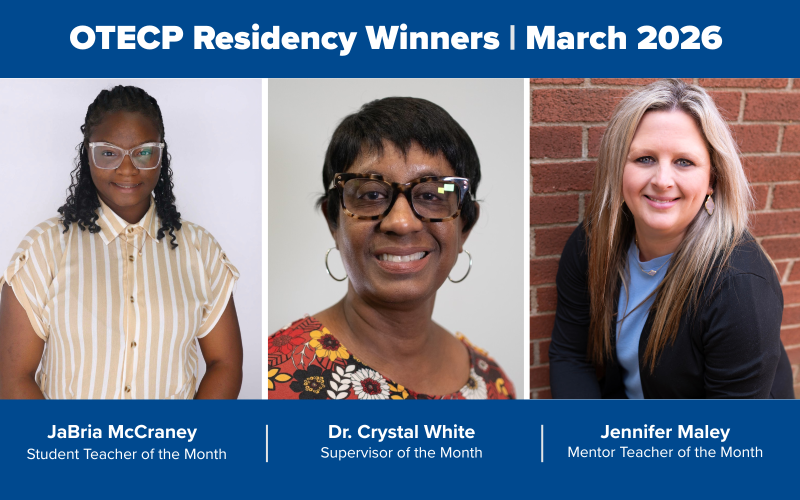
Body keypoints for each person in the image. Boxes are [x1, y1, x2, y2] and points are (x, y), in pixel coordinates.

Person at [549, 79, 793, 399]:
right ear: (617, 168)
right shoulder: (593, 242)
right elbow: (570, 356)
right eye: (645, 159)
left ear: (712, 180)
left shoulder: (739, 286)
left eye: (684, 162)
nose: (663, 180)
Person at [0, 85, 243, 399]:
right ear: (88, 155)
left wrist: (185, 442)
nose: (127, 169)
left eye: (143, 152)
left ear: (161, 155)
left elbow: (225, 363)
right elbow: (13, 377)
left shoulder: (200, 249)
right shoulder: (44, 248)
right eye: (109, 153)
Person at [268, 97, 514, 400]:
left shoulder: (493, 386)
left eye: (432, 195)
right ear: (333, 221)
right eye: (371, 194)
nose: (401, 222)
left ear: (465, 226)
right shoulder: (275, 377)